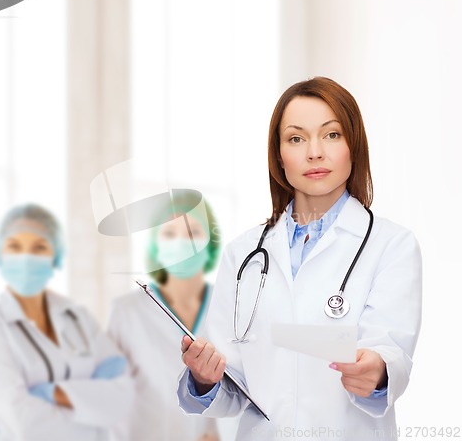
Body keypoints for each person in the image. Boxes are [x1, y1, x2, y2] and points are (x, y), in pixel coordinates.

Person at [177, 77, 422, 441]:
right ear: (279, 155)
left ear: (354, 145)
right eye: (296, 138)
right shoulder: (243, 254)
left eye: (331, 135)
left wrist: (378, 372)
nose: (314, 152)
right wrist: (203, 378)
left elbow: (392, 354)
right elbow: (233, 389)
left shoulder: (392, 245)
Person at [0, 204, 132, 441]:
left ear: (55, 255)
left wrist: (51, 393)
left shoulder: (78, 317)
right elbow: (24, 424)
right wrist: (90, 405)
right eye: (14, 247)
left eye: (39, 247)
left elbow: (121, 398)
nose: (26, 257)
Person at [108, 191, 223, 441]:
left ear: (210, 242)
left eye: (193, 233)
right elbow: (111, 403)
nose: (182, 243)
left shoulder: (231, 308)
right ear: (155, 244)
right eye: (169, 234)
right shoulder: (126, 312)